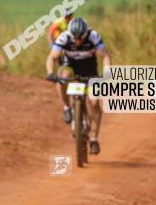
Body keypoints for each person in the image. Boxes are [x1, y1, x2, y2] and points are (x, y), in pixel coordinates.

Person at [45, 17, 112, 155]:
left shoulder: (93, 36)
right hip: (71, 68)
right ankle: (67, 107)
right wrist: (50, 73)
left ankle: (94, 139)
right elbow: (52, 57)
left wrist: (107, 72)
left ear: (86, 33)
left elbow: (105, 56)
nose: (77, 41)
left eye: (80, 38)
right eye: (74, 38)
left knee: (94, 103)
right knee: (61, 77)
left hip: (90, 72)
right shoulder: (64, 37)